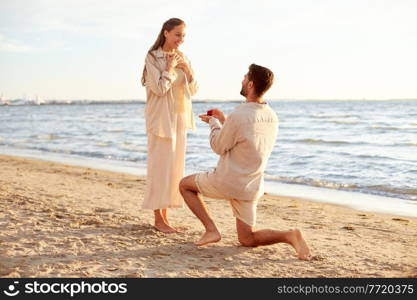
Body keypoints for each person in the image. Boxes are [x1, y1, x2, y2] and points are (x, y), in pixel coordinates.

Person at [179, 64, 311, 260]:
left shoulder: (239, 114)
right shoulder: (271, 116)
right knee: (247, 238)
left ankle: (211, 230)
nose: (241, 80)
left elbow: (218, 146)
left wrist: (214, 123)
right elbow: (246, 140)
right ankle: (290, 235)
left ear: (250, 84)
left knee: (185, 186)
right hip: (250, 185)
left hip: (227, 181)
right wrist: (225, 121)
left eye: (244, 77)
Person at [141, 18, 197, 233]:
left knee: (174, 169)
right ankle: (158, 219)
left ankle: (165, 216)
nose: (181, 40)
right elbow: (159, 89)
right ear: (166, 33)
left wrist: (188, 71)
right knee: (159, 168)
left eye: (183, 36)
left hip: (178, 119)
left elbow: (194, 90)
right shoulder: (152, 57)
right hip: (160, 119)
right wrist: (170, 68)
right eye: (177, 35)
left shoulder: (183, 57)